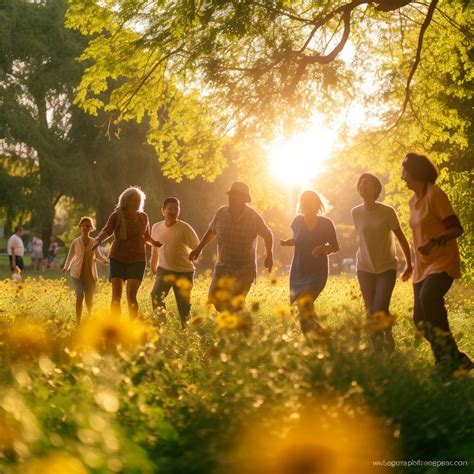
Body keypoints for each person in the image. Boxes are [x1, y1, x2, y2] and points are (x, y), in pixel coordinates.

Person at [402, 152, 472, 373]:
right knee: (420, 321)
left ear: (414, 172)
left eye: (404, 170)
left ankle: (445, 363)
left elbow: (456, 228)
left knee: (430, 299)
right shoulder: (412, 201)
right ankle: (455, 358)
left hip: (442, 260)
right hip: (422, 266)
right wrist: (411, 263)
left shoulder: (436, 195)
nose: (402, 176)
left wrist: (436, 241)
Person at [189, 181, 273, 312]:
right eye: (231, 194)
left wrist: (269, 254)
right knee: (215, 300)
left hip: (244, 269)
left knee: (235, 304)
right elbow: (212, 231)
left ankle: (242, 328)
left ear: (244, 199)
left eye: (236, 195)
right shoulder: (221, 213)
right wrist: (199, 248)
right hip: (224, 266)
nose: (231, 197)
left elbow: (267, 235)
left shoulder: (252, 217)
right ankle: (240, 323)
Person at [352, 173, 413, 352]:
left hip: (386, 267)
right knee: (370, 310)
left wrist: (409, 264)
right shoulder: (355, 212)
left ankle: (387, 339)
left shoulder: (387, 212)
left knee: (379, 307)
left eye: (368, 183)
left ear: (376, 189)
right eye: (361, 183)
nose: (364, 186)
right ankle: (379, 351)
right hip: (364, 268)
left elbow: (401, 238)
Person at [94, 186, 161, 318]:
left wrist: (154, 243)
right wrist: (98, 239)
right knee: (116, 296)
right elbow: (107, 230)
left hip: (137, 259)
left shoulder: (143, 217)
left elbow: (145, 235)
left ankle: (132, 328)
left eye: (139, 200)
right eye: (134, 200)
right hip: (118, 257)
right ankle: (116, 327)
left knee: (131, 296)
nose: (137, 203)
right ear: (126, 201)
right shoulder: (116, 215)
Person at [280, 190, 339, 335]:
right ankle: (314, 340)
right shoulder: (297, 221)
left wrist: (323, 247)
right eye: (304, 201)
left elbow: (335, 246)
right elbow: (299, 239)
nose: (306, 204)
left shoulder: (326, 223)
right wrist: (289, 242)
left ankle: (321, 338)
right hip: (299, 270)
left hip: (317, 272)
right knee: (304, 309)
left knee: (304, 304)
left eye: (310, 201)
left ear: (317, 204)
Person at [150, 197, 200, 328]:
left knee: (183, 307)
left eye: (176, 209)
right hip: (164, 270)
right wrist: (153, 266)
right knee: (155, 296)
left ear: (179, 211)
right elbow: (154, 249)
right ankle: (162, 327)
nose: (173, 211)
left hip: (184, 272)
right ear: (163, 211)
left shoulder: (185, 228)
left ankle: (186, 332)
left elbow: (197, 247)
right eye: (170, 209)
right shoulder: (156, 227)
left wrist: (194, 255)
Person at [63, 217, 109, 325]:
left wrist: (105, 261)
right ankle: (78, 321)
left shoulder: (94, 242)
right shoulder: (75, 242)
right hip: (77, 274)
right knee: (79, 295)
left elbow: (98, 255)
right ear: (80, 227)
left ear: (91, 228)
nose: (85, 227)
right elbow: (70, 256)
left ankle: (90, 318)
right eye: (83, 225)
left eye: (88, 225)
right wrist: (66, 266)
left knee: (89, 298)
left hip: (90, 274)